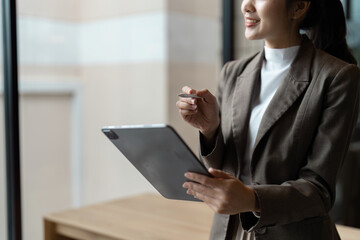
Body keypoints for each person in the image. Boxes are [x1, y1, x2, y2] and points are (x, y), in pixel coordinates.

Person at [176, 0, 360, 239]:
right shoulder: (232, 72)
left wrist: (252, 199)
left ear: (298, 7)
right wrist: (210, 129)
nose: (245, 6)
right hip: (229, 232)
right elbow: (226, 168)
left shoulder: (337, 77)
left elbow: (318, 191)